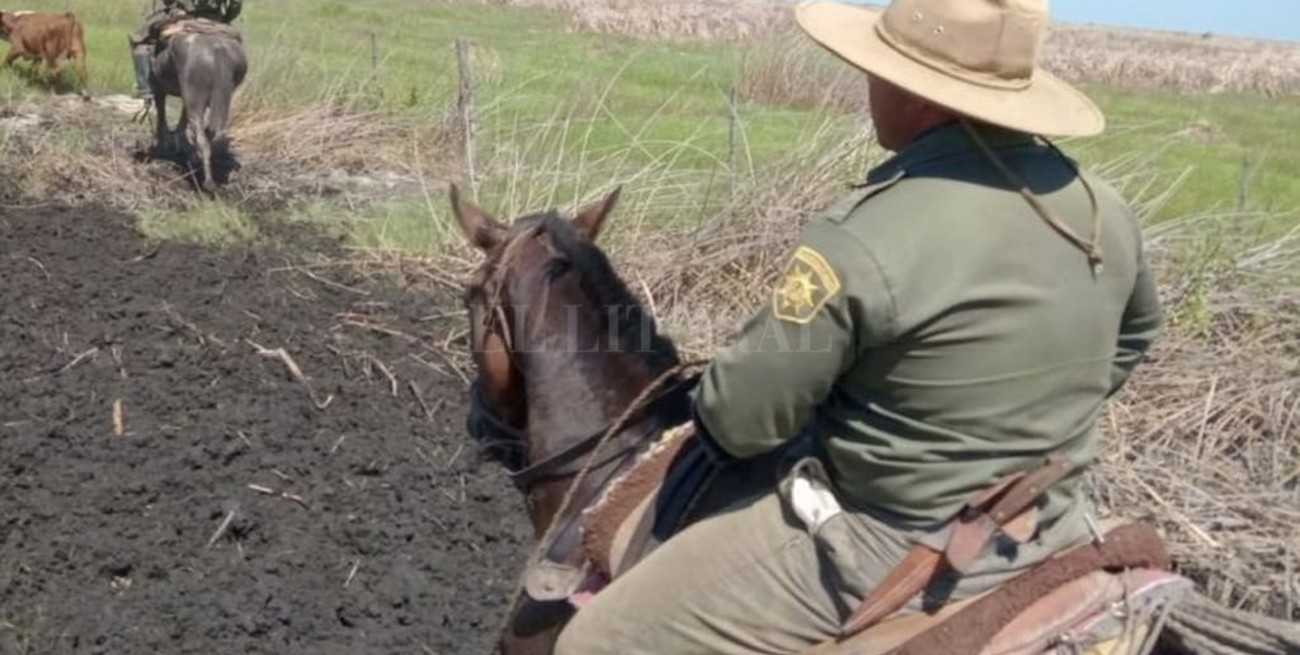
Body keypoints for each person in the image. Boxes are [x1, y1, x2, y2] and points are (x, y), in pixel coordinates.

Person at [554, 0, 1163, 653]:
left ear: (921, 98)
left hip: (885, 538)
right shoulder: (1105, 208)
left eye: (879, 71)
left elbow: (738, 421)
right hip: (1056, 518)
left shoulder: (866, 233)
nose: (869, 86)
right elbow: (1133, 336)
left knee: (595, 640)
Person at [129, 0, 243, 98]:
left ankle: (145, 90)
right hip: (216, 18)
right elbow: (236, 3)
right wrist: (225, 18)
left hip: (184, 17)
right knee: (236, 42)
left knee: (139, 41)